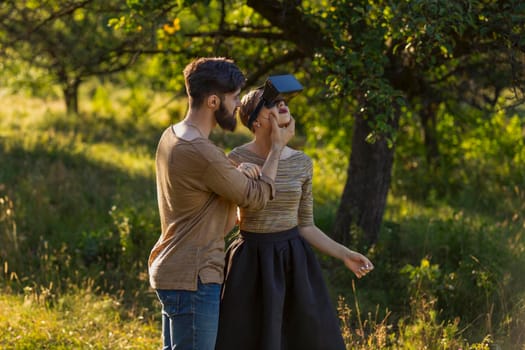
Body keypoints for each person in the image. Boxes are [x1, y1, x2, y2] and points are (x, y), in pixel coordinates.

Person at [148, 57, 295, 350]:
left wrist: (233, 173)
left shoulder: (172, 136)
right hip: (195, 277)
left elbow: (206, 189)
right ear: (214, 101)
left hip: (175, 271)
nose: (239, 105)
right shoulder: (203, 152)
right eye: (235, 97)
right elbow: (255, 197)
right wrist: (277, 149)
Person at [215, 87, 374, 350]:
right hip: (249, 263)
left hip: (293, 261)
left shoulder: (302, 163)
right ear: (256, 120)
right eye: (271, 103)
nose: (282, 105)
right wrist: (238, 176)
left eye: (282, 101)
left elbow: (306, 225)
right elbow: (228, 219)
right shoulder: (236, 159)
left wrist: (345, 254)